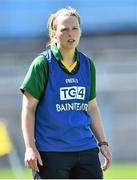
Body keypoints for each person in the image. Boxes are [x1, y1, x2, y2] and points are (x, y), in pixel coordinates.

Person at [20, 7, 112, 179]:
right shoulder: (42, 64)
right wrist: (30, 147)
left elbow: (91, 107)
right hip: (51, 152)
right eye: (65, 29)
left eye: (75, 28)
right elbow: (28, 108)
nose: (71, 34)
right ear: (54, 33)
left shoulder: (87, 64)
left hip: (86, 150)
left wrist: (103, 143)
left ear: (80, 31)